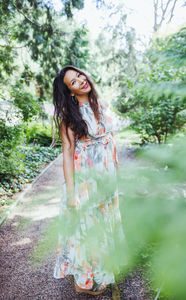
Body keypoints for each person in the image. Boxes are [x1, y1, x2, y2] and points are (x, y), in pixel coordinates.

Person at [52, 65, 127, 297]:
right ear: (71, 92)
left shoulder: (101, 105)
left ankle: (103, 272)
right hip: (86, 182)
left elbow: (109, 138)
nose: (81, 80)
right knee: (88, 228)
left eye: (79, 75)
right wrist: (71, 192)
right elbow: (67, 153)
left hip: (107, 180)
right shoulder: (69, 117)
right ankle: (85, 280)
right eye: (73, 82)